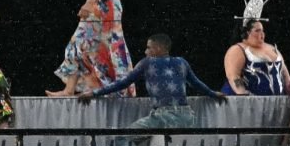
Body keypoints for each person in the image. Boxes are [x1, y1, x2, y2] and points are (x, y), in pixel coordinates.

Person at [83, 33, 226, 131]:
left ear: (158, 48)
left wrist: (95, 93)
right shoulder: (182, 62)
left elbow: (123, 83)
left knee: (126, 136)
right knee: (151, 135)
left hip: (163, 117)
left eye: (148, 47)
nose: (146, 51)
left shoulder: (148, 63)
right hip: (187, 117)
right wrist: (213, 94)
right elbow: (197, 84)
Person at [223, 13, 290, 97]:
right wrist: (242, 93)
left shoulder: (272, 48)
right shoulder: (237, 50)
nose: (262, 34)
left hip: (278, 103)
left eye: (262, 30)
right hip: (251, 103)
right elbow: (234, 76)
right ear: (247, 33)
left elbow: (285, 74)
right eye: (257, 31)